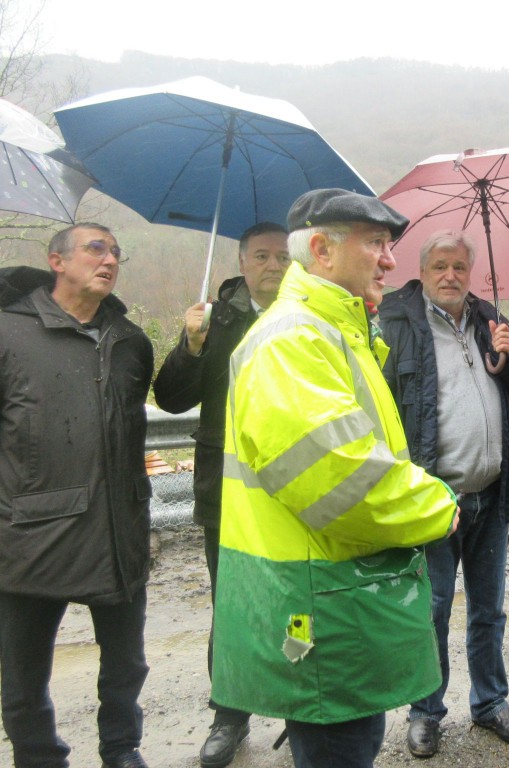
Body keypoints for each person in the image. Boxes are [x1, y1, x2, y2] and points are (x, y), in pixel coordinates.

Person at [209, 189, 460, 768]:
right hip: (317, 598)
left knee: (351, 742)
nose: (390, 260)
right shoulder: (294, 340)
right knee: (338, 749)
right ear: (321, 249)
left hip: (331, 592)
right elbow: (340, 479)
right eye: (375, 243)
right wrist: (438, 508)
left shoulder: (335, 331)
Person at [378, 229, 509, 758]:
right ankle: (426, 712)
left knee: (490, 611)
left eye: (459, 268)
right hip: (433, 500)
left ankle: (491, 702)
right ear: (423, 272)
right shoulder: (397, 323)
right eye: (440, 266)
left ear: (470, 273)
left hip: (491, 495)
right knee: (433, 611)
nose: (450, 276)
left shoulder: (490, 320)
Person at [0, 225, 154, 768]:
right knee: (22, 677)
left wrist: (195, 346)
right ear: (56, 261)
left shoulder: (132, 340)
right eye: (96, 248)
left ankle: (121, 750)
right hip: (28, 536)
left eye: (116, 251)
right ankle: (39, 758)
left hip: (118, 528)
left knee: (126, 665)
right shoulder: (8, 334)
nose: (110, 258)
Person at [152, 222, 289, 767]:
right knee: (231, 605)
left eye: (282, 255)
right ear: (241, 261)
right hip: (226, 487)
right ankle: (229, 714)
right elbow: (170, 398)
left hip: (291, 486)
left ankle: (299, 705)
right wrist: (190, 346)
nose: (273, 265)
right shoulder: (216, 318)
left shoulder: (308, 317)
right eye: (262, 256)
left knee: (295, 601)